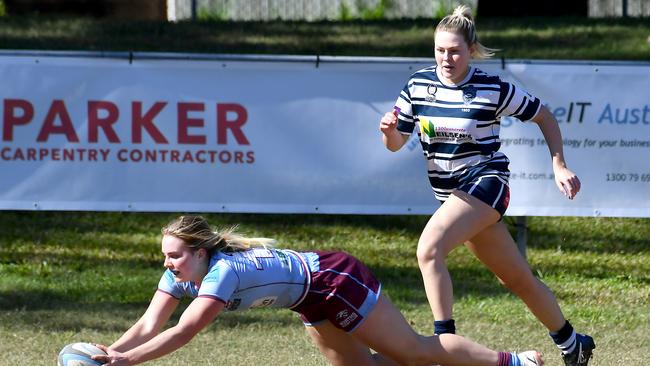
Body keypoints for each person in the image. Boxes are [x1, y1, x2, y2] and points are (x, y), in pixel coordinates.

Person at [378, 5, 594, 366]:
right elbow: (397, 143)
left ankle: (443, 343)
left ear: (471, 50)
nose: (447, 58)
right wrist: (387, 133)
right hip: (451, 196)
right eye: (440, 50)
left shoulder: (491, 87)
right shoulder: (417, 85)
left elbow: (544, 116)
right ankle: (573, 342)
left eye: (455, 50)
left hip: (487, 182)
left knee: (428, 250)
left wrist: (559, 164)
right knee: (515, 278)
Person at [91, 214, 543, 366]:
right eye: (165, 256)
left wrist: (129, 361)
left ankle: (515, 361)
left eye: (175, 255)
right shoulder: (179, 275)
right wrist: (110, 352)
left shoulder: (221, 274)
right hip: (308, 297)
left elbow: (183, 332)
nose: (168, 264)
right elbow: (150, 323)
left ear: (200, 252)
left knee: (415, 350)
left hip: (333, 277)